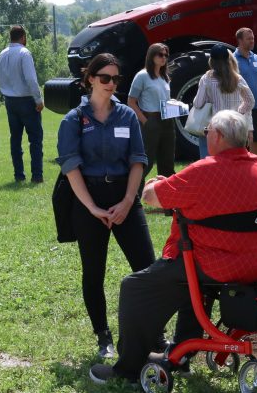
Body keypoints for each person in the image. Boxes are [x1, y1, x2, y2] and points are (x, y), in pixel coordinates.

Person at [89, 110, 257, 385]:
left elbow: (151, 196)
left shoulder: (205, 170)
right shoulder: (256, 165)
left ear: (218, 136)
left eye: (207, 131)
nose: (206, 135)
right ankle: (181, 355)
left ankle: (128, 369)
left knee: (135, 286)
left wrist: (155, 182)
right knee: (190, 281)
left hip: (219, 264)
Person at [57, 53, 155, 360]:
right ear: (90, 79)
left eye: (116, 78)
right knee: (93, 272)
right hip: (89, 200)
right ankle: (103, 337)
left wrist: (127, 201)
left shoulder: (127, 116)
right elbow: (71, 168)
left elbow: (138, 160)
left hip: (125, 196)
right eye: (105, 78)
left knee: (148, 269)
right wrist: (92, 208)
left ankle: (154, 334)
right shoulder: (73, 120)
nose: (111, 84)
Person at [0, 25, 44, 183]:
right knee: (35, 139)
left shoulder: (1, 54)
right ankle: (37, 175)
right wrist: (38, 100)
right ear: (23, 37)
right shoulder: (24, 53)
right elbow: (31, 79)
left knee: (15, 139)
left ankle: (19, 175)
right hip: (26, 100)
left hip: (10, 101)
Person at [192, 43, 253, 159]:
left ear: (211, 61)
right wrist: (238, 113)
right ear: (228, 59)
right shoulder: (238, 78)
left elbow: (198, 104)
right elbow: (250, 101)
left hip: (215, 127)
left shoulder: (207, 78)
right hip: (234, 128)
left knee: (211, 162)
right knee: (232, 161)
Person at [127, 43, 175, 178]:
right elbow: (131, 101)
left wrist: (175, 105)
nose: (164, 57)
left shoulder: (165, 76)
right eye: (160, 54)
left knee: (167, 161)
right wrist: (145, 121)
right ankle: (135, 189)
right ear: (151, 56)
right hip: (150, 119)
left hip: (167, 119)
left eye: (166, 55)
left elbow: (164, 98)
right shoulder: (142, 76)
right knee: (146, 161)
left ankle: (165, 190)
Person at [233, 28, 257, 157]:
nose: (252, 41)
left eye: (253, 38)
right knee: (240, 142)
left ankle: (256, 166)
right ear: (240, 40)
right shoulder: (232, 59)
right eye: (248, 39)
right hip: (241, 108)